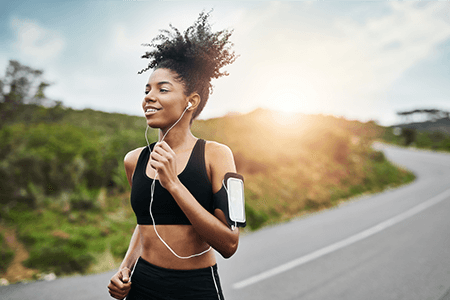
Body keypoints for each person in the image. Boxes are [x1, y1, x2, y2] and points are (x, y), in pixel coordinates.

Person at [107, 11, 241, 300]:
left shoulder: (216, 155)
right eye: (147, 89)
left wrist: (174, 184)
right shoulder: (134, 160)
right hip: (142, 285)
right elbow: (147, 221)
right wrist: (125, 268)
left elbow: (229, 244)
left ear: (191, 101)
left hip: (195, 287)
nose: (148, 97)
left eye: (162, 89)